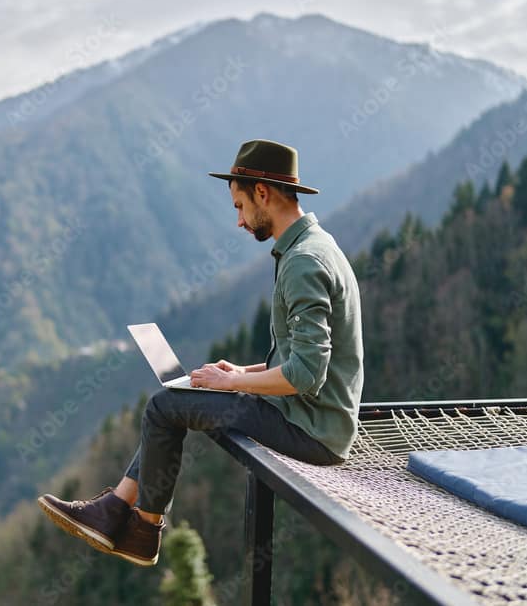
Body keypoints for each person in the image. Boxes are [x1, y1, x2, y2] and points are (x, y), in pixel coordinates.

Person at [37, 139, 364, 566]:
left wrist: (233, 383)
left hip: (312, 431)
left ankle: (141, 528)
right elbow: (302, 356)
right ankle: (119, 510)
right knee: (175, 401)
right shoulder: (315, 246)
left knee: (164, 407)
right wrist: (240, 371)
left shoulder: (304, 260)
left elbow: (306, 374)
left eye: (239, 206)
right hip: (313, 418)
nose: (240, 221)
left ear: (262, 192)